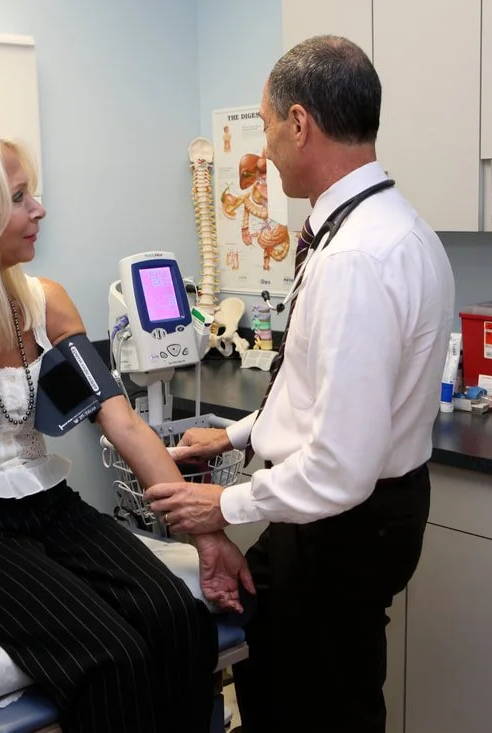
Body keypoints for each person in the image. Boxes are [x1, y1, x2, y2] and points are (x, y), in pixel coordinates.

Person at [0, 132, 254, 733]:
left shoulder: (44, 302)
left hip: (49, 509)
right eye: (18, 197)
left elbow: (123, 421)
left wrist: (208, 536)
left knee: (176, 616)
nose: (38, 209)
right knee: (110, 655)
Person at [144, 36, 455, 732]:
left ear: (299, 123)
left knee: (321, 701)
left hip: (345, 520)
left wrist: (224, 502)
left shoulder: (356, 259)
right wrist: (234, 433)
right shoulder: (392, 230)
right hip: (357, 512)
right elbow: (320, 389)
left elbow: (339, 465)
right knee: (284, 666)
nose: (264, 147)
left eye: (263, 125)